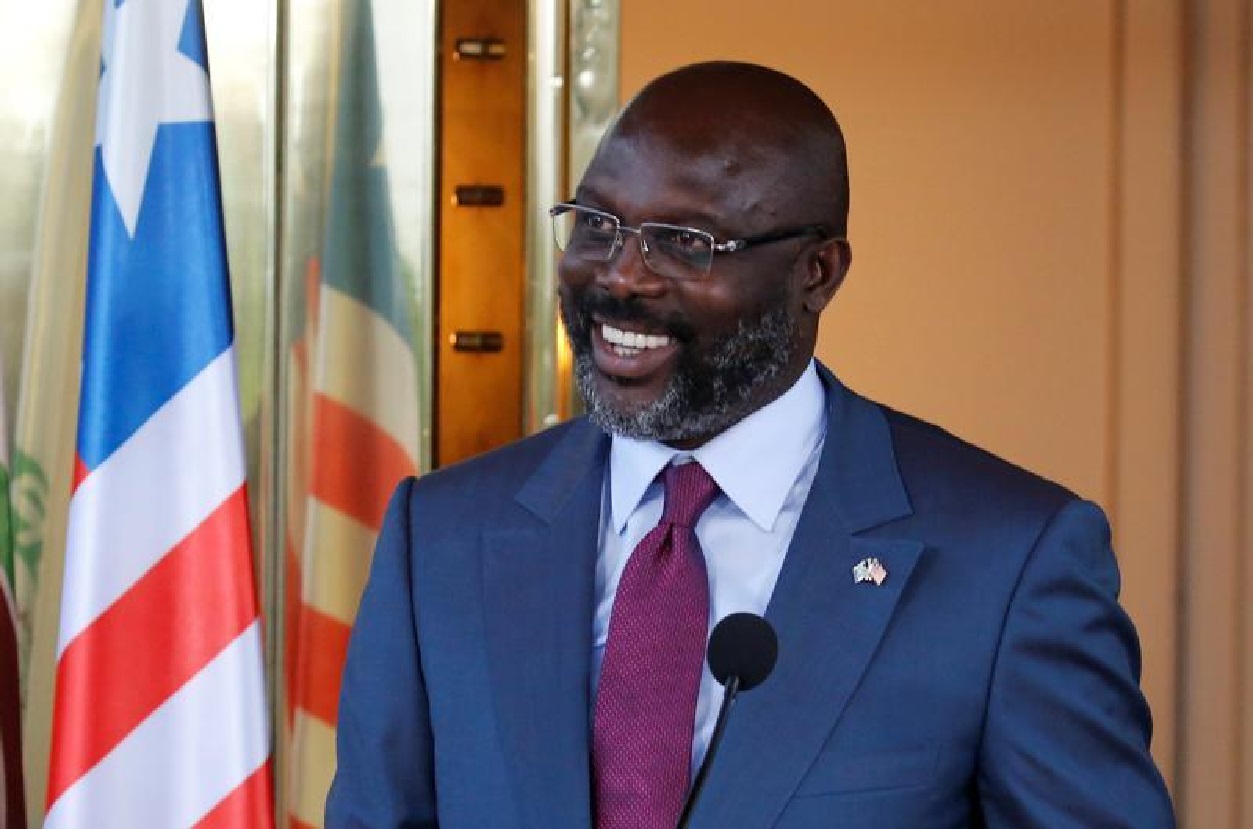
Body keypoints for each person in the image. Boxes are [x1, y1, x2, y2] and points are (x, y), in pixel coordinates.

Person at [325, 61, 1175, 829]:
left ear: (817, 273)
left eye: (684, 243)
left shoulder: (1007, 561)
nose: (620, 275)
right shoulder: (438, 536)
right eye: (596, 224)